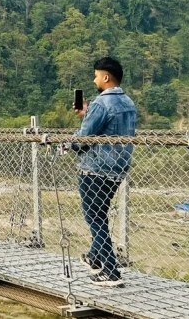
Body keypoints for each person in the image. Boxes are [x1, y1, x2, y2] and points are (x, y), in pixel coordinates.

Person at [72, 57, 137, 288]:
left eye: (96, 75)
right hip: (118, 168)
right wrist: (88, 115)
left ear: (106, 77)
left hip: (95, 170)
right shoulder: (128, 102)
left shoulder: (101, 103)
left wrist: (73, 137)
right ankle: (95, 256)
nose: (94, 79)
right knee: (100, 213)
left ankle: (110, 271)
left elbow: (83, 140)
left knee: (95, 217)